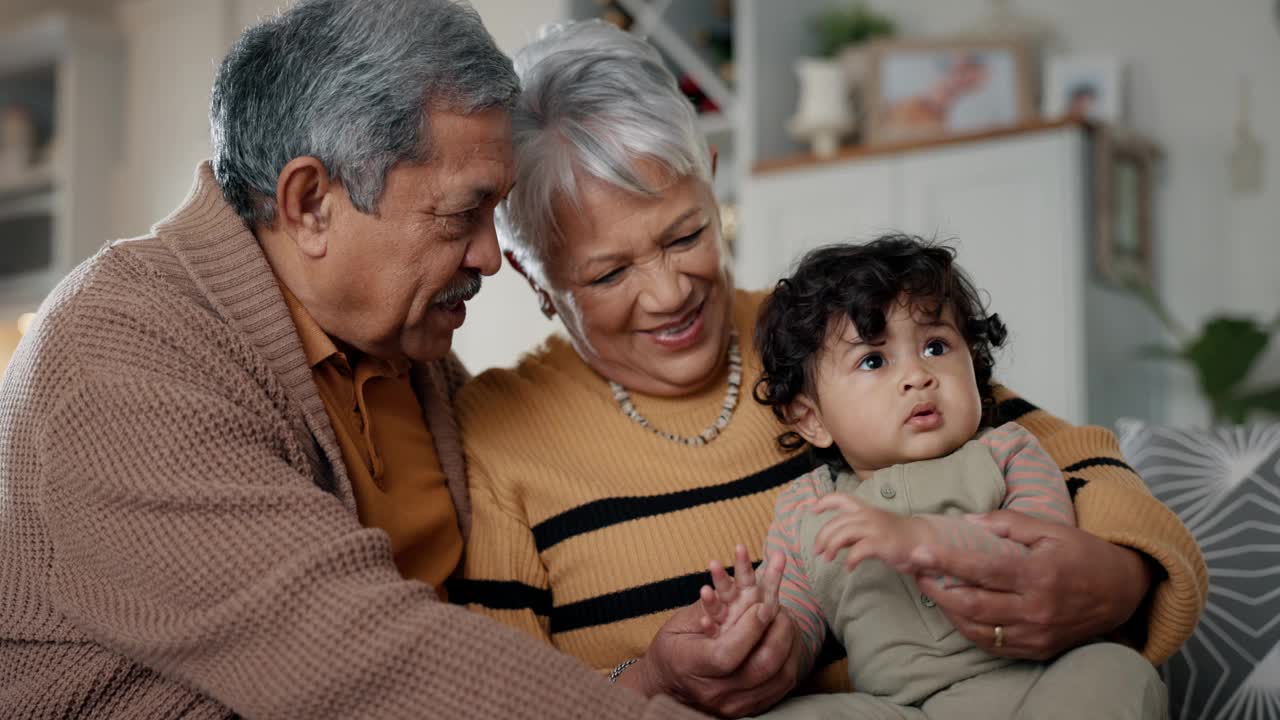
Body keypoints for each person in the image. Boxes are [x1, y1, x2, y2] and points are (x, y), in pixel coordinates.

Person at [453, 19, 1205, 719]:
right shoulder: (499, 436)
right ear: (532, 275)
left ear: (714, 182)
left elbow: (1079, 465)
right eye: (610, 274)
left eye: (685, 234)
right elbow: (503, 695)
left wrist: (1114, 581)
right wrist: (653, 682)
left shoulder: (827, 330)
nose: (669, 292)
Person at [0, 2, 704, 718]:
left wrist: (639, 682)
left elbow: (474, 635)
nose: (490, 257)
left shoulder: (401, 345)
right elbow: (361, 657)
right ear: (309, 204)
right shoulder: (119, 353)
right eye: (463, 214)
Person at [693, 236, 1166, 718]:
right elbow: (799, 632)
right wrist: (757, 632)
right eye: (873, 360)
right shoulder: (805, 509)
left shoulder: (1007, 450)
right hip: (902, 709)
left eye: (936, 346)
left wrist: (918, 539)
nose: (918, 375)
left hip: (1040, 685)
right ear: (811, 418)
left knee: (1117, 670)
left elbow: (1042, 558)